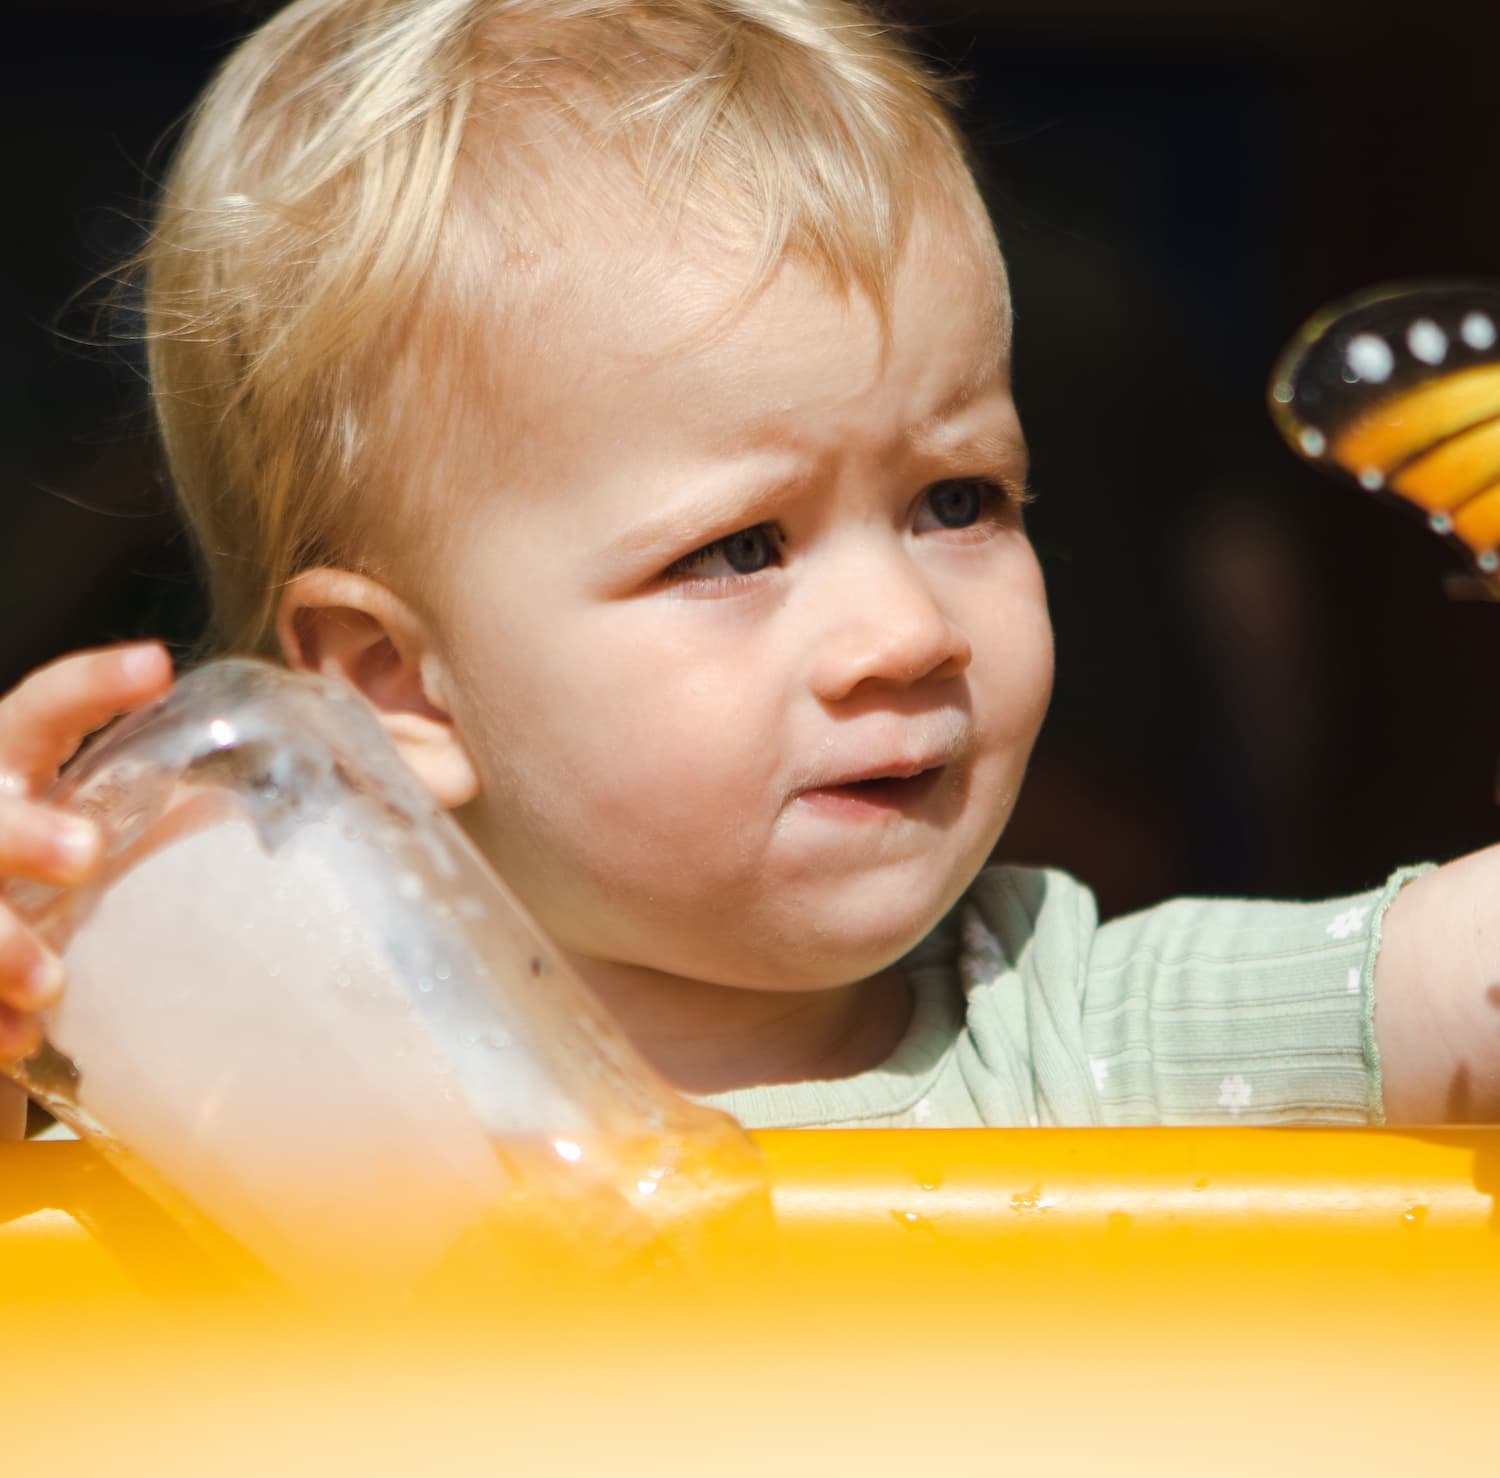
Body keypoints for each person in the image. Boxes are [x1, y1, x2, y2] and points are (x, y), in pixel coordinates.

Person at [0, 0, 1481, 1138]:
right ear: (398, 682)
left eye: (956, 500)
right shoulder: (255, 1090)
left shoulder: (1083, 1027)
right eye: (738, 547)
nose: (907, 630)